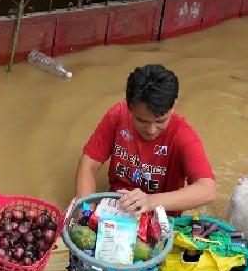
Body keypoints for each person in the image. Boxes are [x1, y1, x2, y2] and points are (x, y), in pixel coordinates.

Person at [75, 64, 216, 216]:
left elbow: (207, 190)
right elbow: (88, 166)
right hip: (116, 206)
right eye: (141, 121)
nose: (151, 130)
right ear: (129, 106)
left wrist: (150, 201)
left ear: (173, 105)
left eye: (161, 121)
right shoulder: (117, 115)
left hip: (160, 215)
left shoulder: (183, 136)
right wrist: (86, 216)